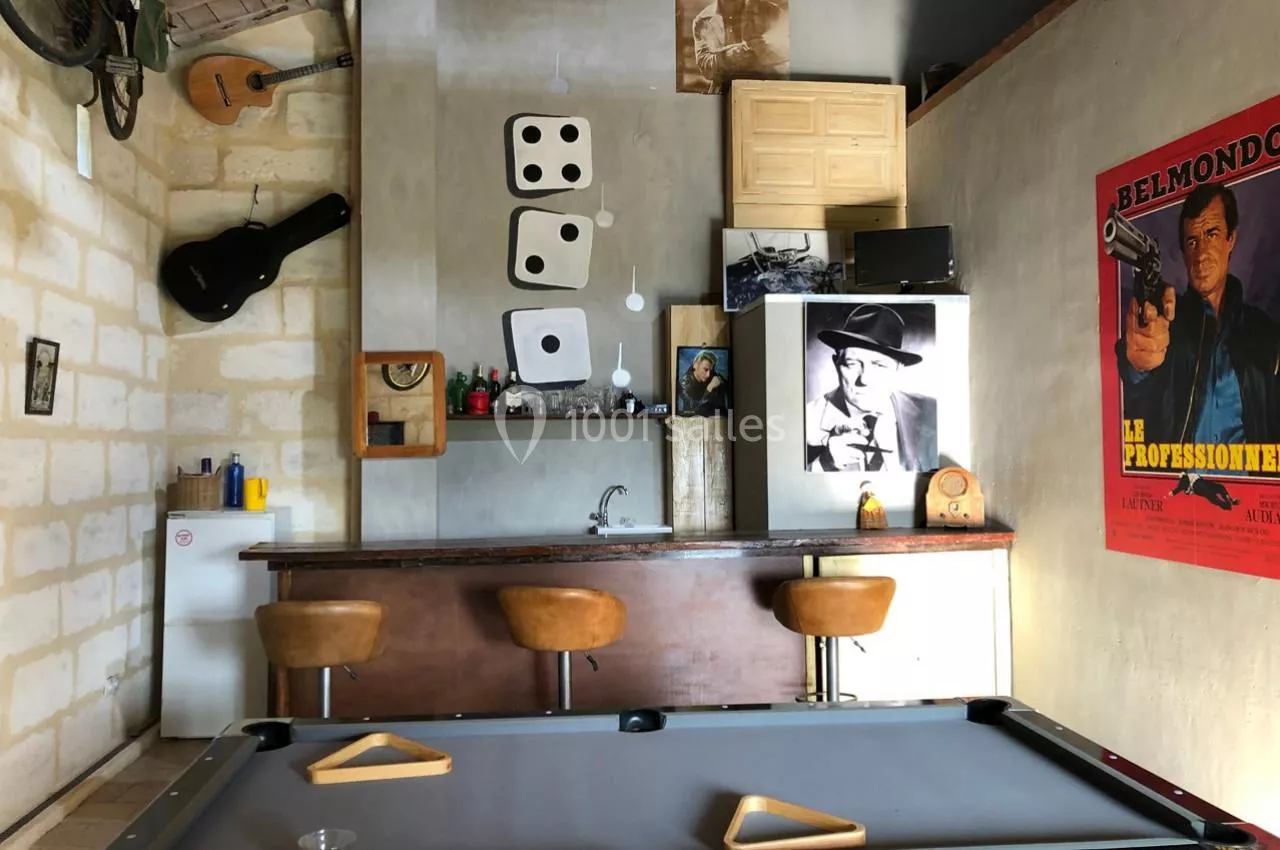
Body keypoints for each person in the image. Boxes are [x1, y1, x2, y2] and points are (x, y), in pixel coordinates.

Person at [1119, 183, 1280, 460]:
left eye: (1212, 234)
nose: (1201, 254)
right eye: (1192, 241)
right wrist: (1136, 365)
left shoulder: (1264, 331)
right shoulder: (1165, 321)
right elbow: (1132, 393)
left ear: (1231, 239)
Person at [806, 304, 937, 472]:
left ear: (898, 369)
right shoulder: (804, 421)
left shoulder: (932, 411)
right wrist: (824, 464)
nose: (865, 379)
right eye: (852, 363)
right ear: (836, 364)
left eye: (879, 365)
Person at [692, 0, 787, 92]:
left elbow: (783, 53)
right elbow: (707, 68)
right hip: (725, 92)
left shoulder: (769, 11)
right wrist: (740, 52)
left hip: (763, 90)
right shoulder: (703, 20)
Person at [679, 350, 730, 416]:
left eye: (710, 370)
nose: (708, 375)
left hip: (714, 414)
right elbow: (692, 409)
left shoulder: (710, 372)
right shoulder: (685, 384)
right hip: (695, 418)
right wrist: (709, 389)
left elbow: (728, 387)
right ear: (695, 365)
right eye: (705, 369)